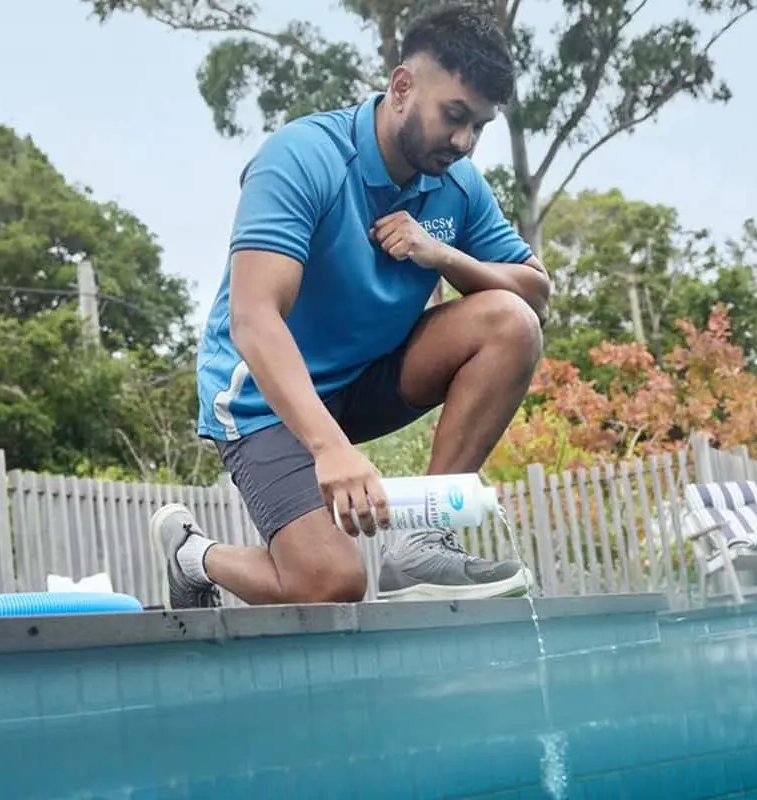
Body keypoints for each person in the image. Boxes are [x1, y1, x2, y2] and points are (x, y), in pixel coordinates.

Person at [150, 3, 551, 609]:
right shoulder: (302, 156)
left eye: (479, 126)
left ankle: (421, 544)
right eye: (454, 116)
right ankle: (194, 558)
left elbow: (536, 294)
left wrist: (442, 254)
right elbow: (254, 319)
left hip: (365, 378)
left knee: (511, 323)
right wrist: (328, 446)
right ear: (402, 86)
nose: (464, 142)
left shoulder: (458, 185)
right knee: (331, 584)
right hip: (264, 395)